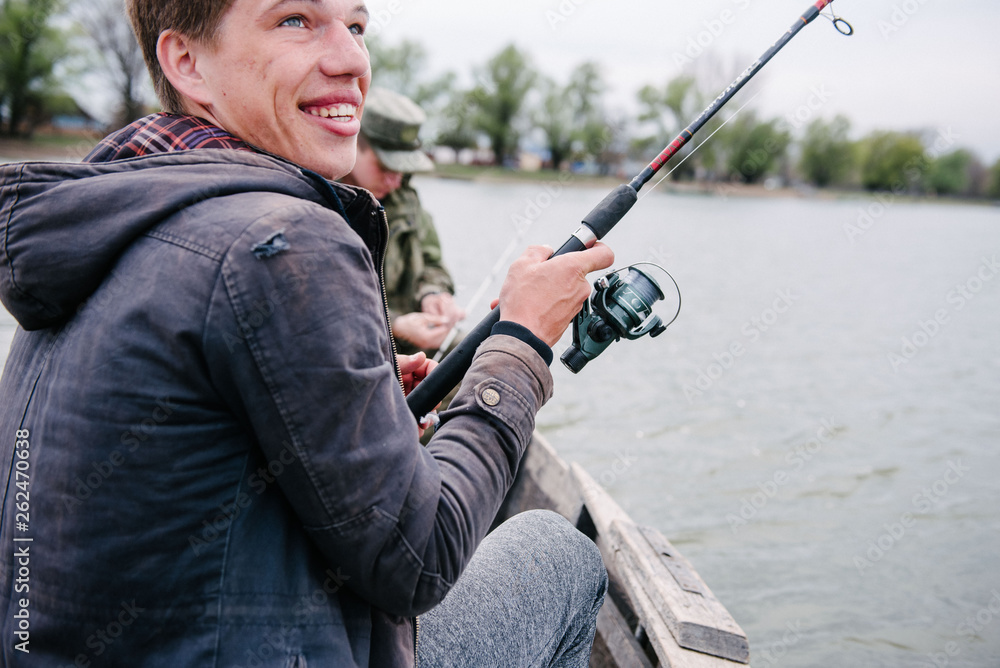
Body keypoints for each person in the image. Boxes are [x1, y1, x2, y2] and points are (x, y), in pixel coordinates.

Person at [0, 1, 614, 667]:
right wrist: (520, 345)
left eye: (355, 26)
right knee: (563, 555)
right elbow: (419, 562)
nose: (351, 60)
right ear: (186, 62)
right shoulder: (284, 239)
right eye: (295, 19)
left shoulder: (98, 222)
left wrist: (366, 409)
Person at [341, 86, 464, 357]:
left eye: (404, 169)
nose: (395, 181)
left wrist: (432, 295)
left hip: (411, 340)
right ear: (355, 140)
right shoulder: (316, 203)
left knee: (473, 358)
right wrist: (393, 324)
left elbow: (433, 263)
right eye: (386, 167)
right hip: (353, 345)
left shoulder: (405, 200)